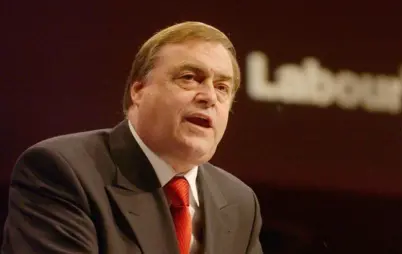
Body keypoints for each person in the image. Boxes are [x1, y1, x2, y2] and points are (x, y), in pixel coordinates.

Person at [1, 21, 263, 254]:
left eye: (222, 88)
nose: (209, 97)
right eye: (189, 78)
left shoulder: (238, 202)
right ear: (139, 90)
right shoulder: (61, 172)